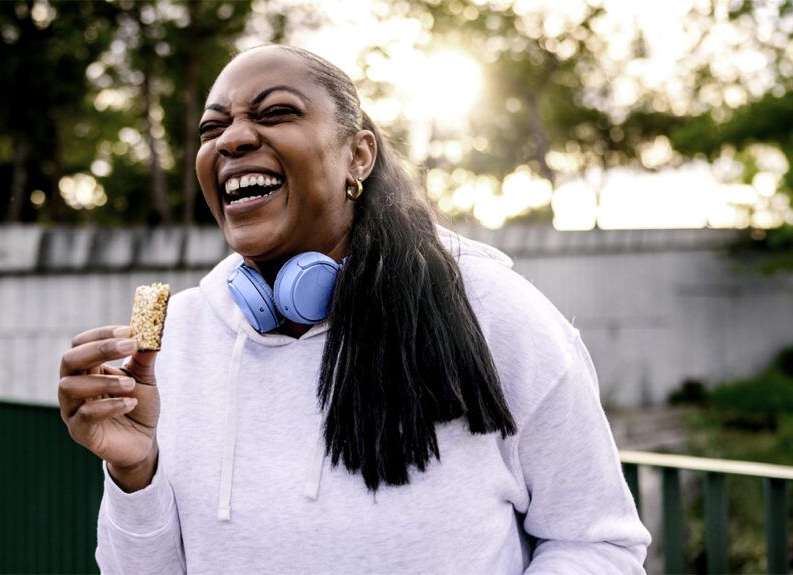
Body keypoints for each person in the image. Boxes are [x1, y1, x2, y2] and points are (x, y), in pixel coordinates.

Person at [58, 44, 651, 574]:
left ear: (359, 156)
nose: (232, 139)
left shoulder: (494, 311)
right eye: (213, 128)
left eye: (275, 113)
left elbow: (599, 545)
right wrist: (134, 473)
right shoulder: (172, 335)